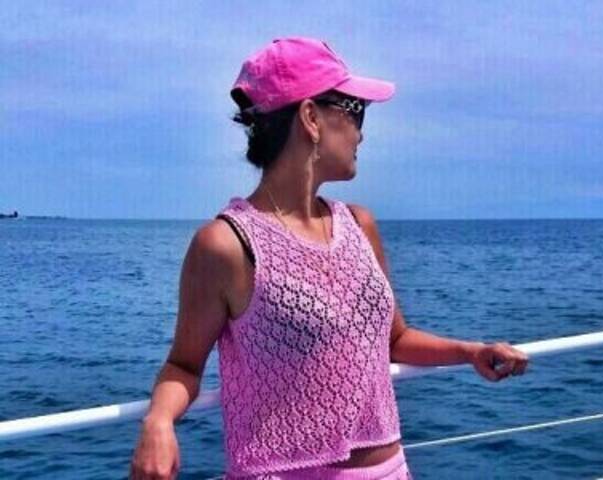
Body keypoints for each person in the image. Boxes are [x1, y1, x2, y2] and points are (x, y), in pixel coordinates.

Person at [129, 36, 529, 480]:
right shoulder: (227, 244)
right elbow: (184, 365)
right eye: (356, 112)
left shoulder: (359, 225)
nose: (361, 132)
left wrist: (471, 352)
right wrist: (158, 421)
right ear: (310, 117)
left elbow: (394, 340)